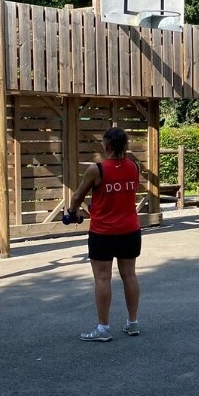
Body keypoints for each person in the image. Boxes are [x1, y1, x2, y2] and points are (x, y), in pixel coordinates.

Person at [68, 127, 142, 341]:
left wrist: (72, 213)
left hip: (104, 232)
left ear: (106, 145)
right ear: (125, 145)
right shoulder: (134, 167)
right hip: (130, 230)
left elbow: (77, 196)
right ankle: (132, 322)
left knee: (102, 278)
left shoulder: (97, 169)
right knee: (130, 275)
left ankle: (102, 329)